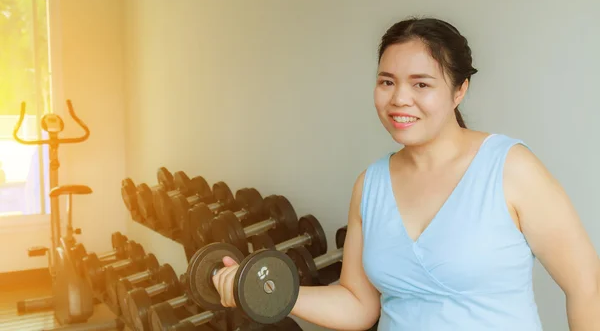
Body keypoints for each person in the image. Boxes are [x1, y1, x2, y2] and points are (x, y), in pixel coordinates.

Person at [212, 17, 600, 330]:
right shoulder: (370, 185)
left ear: (459, 90)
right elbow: (358, 305)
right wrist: (265, 289)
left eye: (421, 84)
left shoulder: (510, 168)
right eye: (387, 82)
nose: (399, 99)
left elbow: (587, 286)